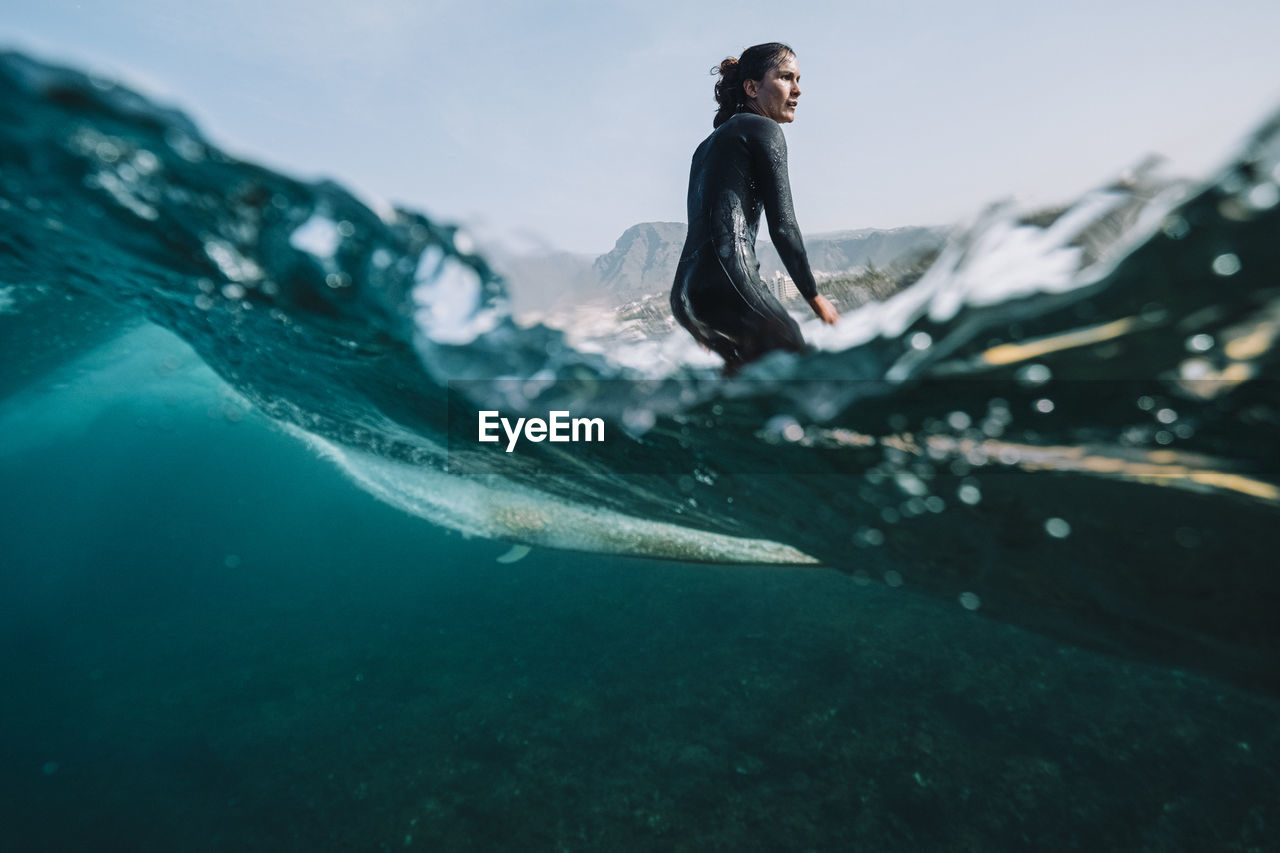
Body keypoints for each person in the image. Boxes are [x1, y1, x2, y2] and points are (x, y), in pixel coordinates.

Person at [670, 42, 839, 374]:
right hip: (728, 281)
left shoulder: (705, 148)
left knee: (745, 385)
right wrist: (814, 296)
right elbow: (783, 225)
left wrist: (685, 309)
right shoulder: (762, 128)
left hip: (685, 295)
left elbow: (698, 235)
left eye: (798, 79)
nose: (798, 90)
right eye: (786, 77)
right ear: (751, 87)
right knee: (797, 365)